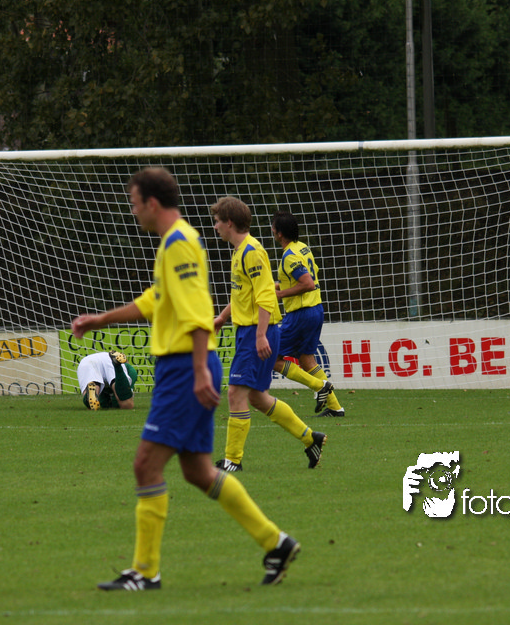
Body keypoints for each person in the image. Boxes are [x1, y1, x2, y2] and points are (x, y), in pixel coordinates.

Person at [71, 167, 299, 590]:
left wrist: (197, 372)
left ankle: (145, 571)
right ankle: (276, 542)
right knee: (197, 471)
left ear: (152, 203)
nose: (133, 211)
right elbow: (155, 300)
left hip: (184, 368)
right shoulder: (174, 242)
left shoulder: (179, 243)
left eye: (134, 203)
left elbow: (195, 313)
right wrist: (101, 319)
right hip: (184, 366)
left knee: (145, 465)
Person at [210, 196, 325, 473]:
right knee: (257, 398)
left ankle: (232, 460)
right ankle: (311, 438)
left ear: (229, 222)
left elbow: (264, 295)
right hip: (250, 331)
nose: (215, 227)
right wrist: (222, 317)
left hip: (256, 332)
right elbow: (243, 294)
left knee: (235, 393)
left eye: (217, 221)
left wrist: (261, 335)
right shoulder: (240, 251)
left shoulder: (252, 251)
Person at [270, 210, 345, 417]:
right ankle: (335, 407)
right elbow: (303, 278)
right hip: (315, 309)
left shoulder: (289, 256)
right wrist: (274, 286)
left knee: (272, 358)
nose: (272, 230)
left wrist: (280, 294)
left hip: (301, 314)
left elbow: (307, 283)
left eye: (273, 227)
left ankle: (319, 386)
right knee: (306, 360)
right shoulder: (302, 248)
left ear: (279, 233)